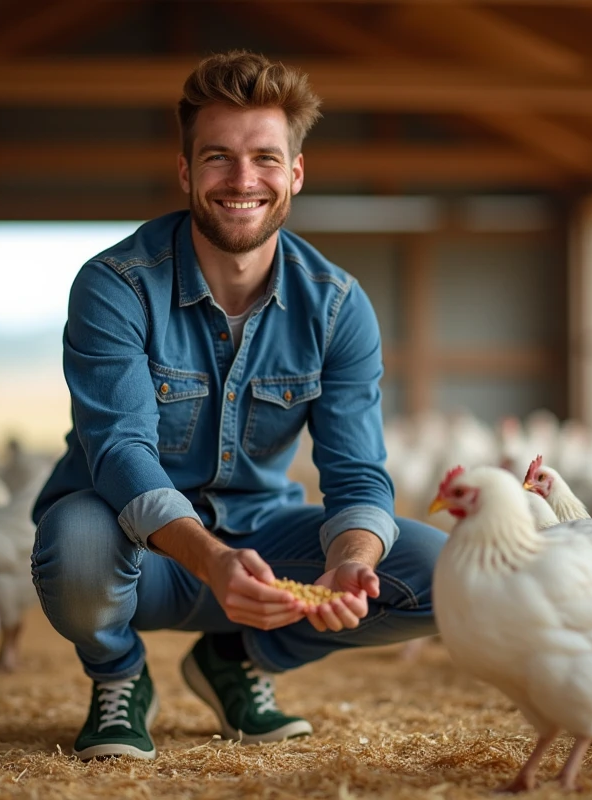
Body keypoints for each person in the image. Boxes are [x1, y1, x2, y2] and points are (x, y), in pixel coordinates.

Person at [31, 50, 447, 762]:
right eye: (219, 158)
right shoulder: (115, 285)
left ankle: (241, 659)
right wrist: (213, 561)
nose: (243, 180)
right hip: (139, 551)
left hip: (265, 542)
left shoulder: (339, 306)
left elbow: (358, 473)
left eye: (265, 158)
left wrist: (352, 559)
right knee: (76, 543)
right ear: (187, 172)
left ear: (295, 174)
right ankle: (118, 676)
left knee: (442, 574)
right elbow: (122, 454)